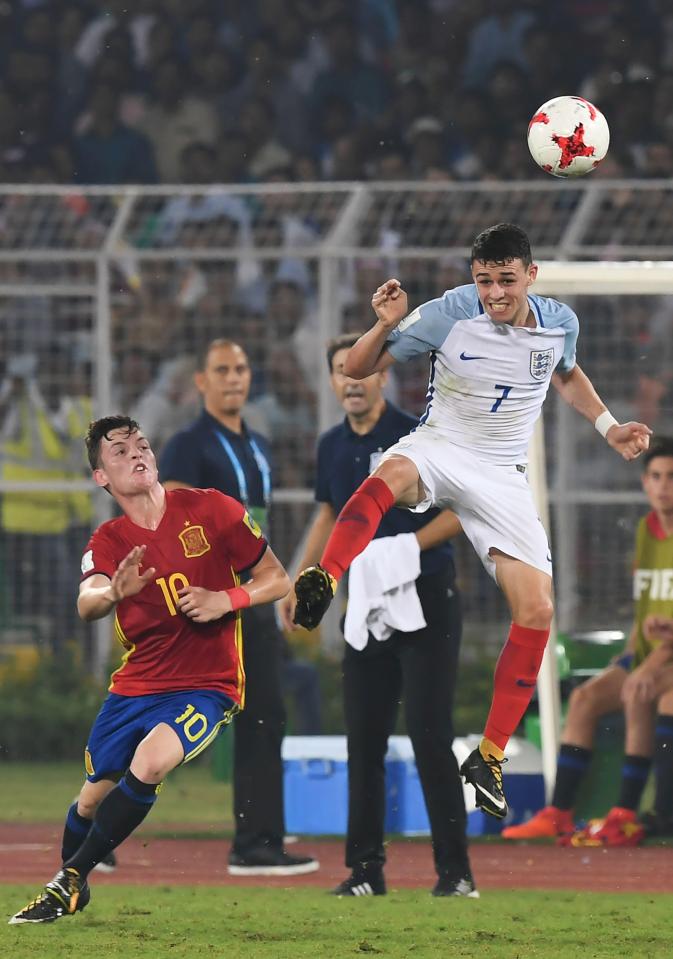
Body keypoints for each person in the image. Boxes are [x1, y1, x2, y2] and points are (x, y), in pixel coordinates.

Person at [292, 222, 652, 821]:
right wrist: (384, 322)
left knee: (537, 610)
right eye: (484, 280)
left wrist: (609, 426)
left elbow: (566, 372)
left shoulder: (560, 321)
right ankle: (325, 578)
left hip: (503, 476)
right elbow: (357, 368)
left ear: (531, 276)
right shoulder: (448, 314)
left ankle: (488, 755)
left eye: (506, 280)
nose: (494, 294)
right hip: (443, 443)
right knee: (386, 477)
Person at [9, 414, 291, 924]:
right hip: (137, 685)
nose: (135, 453)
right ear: (101, 477)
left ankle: (68, 881)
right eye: (118, 451)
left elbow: (277, 578)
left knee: (152, 761)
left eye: (140, 444)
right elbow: (87, 600)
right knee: (90, 801)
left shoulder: (212, 508)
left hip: (209, 685)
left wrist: (227, 598)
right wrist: (113, 591)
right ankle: (74, 879)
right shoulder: (109, 540)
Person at [279, 332, 476, 898]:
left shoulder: (418, 435)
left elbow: (461, 511)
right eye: (342, 371)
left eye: (362, 371)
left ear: (382, 375)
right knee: (363, 739)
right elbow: (328, 516)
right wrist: (306, 577)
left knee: (429, 733)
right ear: (333, 379)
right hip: (363, 601)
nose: (352, 381)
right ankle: (365, 870)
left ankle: (455, 872)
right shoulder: (331, 446)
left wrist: (408, 549)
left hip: (427, 598)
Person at [159, 338, 319, 876]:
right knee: (170, 713)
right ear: (201, 381)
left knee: (265, 715)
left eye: (242, 368)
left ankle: (259, 838)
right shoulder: (188, 445)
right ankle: (252, 840)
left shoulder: (258, 445)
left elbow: (258, 530)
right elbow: (174, 523)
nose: (234, 378)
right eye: (222, 370)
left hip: (252, 599)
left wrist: (279, 584)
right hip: (215, 604)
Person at [502, 437, 673, 844]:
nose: (664, 485)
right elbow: (648, 608)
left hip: (666, 662)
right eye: (656, 476)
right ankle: (558, 813)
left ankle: (631, 814)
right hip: (653, 657)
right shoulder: (645, 532)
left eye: (672, 477)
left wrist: (648, 665)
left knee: (646, 695)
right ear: (644, 483)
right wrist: (630, 656)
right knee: (583, 699)